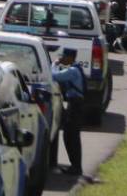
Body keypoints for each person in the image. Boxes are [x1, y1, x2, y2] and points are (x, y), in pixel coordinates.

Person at [51, 48, 86, 176]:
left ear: (70, 58)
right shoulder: (74, 69)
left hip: (75, 105)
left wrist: (54, 64)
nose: (62, 59)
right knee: (69, 135)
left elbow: (53, 76)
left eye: (64, 56)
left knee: (72, 136)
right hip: (74, 104)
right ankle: (75, 166)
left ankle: (76, 167)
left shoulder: (72, 71)